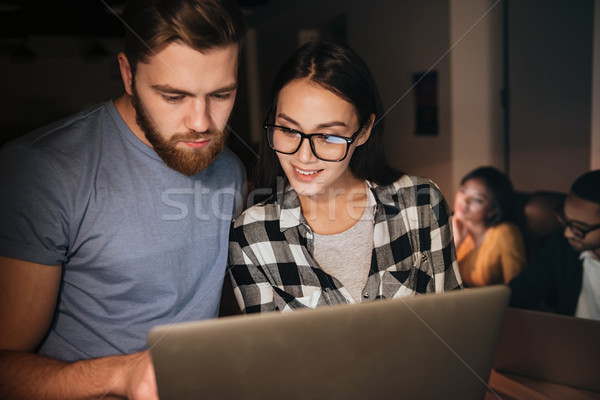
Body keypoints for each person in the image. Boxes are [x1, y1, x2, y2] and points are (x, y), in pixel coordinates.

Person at [0, 0, 246, 398]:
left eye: (221, 94)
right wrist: (125, 374)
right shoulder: (42, 172)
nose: (201, 123)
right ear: (128, 75)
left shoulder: (230, 169)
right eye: (173, 96)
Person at [227, 40, 462, 314]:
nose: (304, 156)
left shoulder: (422, 204)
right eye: (289, 130)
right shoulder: (250, 236)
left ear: (363, 131)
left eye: (327, 136)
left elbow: (454, 327)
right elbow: (268, 355)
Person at [510, 170, 600, 320]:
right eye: (565, 218)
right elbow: (520, 293)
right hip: (569, 338)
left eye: (579, 228)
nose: (567, 233)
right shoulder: (562, 245)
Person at [452, 166, 526, 287]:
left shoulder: (505, 232)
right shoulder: (452, 228)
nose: (464, 201)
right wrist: (457, 242)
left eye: (477, 200)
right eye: (463, 191)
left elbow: (517, 289)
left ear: (493, 210)